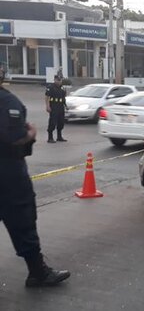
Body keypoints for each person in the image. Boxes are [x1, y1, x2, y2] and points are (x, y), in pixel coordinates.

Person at [0, 68, 71, 287]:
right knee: (23, 219)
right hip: (8, 175)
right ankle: (38, 272)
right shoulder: (6, 101)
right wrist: (29, 135)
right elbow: (12, 138)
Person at [45, 75, 67, 143]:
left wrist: (65, 105)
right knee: (53, 122)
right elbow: (47, 97)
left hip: (60, 106)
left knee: (61, 122)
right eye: (57, 80)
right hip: (54, 106)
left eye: (60, 80)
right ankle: (50, 137)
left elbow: (64, 97)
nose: (59, 81)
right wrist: (47, 106)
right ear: (54, 80)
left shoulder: (63, 88)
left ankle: (59, 136)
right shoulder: (50, 87)